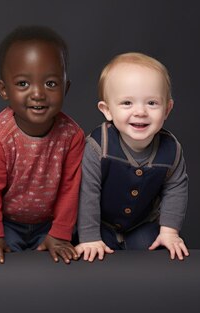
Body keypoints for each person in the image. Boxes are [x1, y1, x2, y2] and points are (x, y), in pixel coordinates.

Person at [0, 26, 84, 265]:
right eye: (23, 84)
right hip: (7, 223)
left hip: (51, 225)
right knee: (5, 267)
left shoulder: (72, 136)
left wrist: (60, 233)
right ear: (4, 89)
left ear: (66, 87)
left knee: (60, 266)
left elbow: (70, 189)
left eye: (51, 84)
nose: (38, 94)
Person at [76, 52, 189, 262]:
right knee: (91, 260)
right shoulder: (97, 147)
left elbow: (176, 187)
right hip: (101, 224)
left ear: (167, 109)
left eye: (152, 103)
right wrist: (89, 237)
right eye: (127, 103)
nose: (140, 112)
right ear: (107, 110)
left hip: (142, 223)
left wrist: (169, 231)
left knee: (155, 261)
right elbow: (87, 192)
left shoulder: (171, 149)